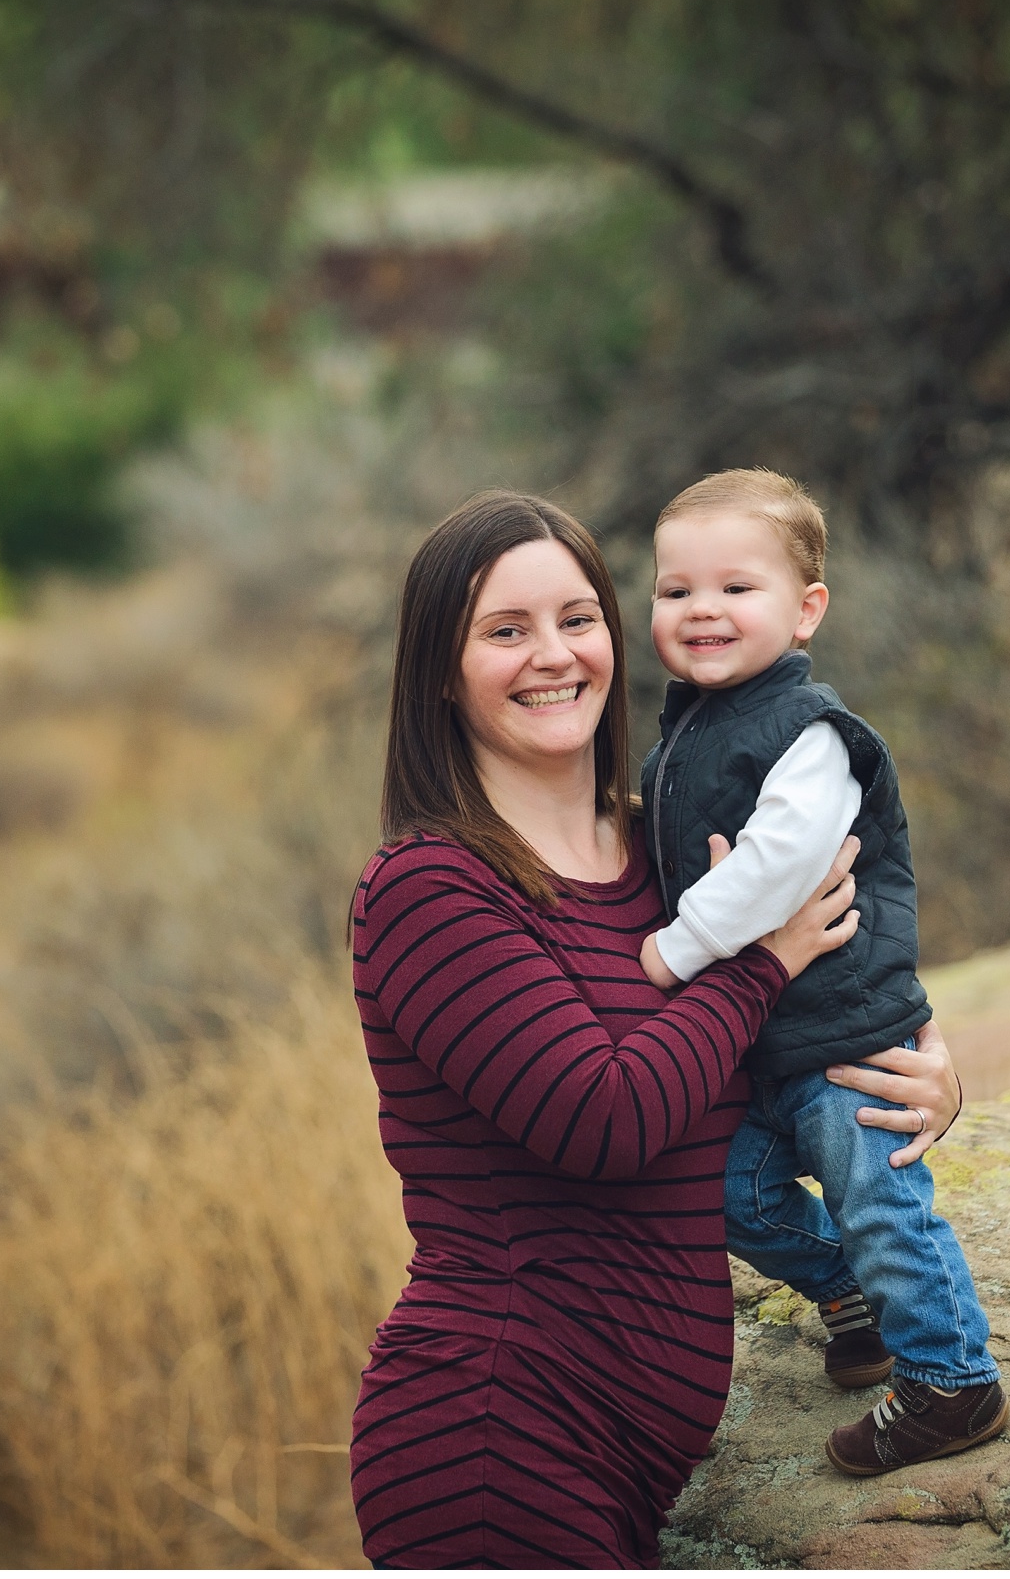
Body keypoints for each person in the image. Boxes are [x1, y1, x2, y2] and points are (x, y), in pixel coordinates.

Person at [349, 489, 965, 1568]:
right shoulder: (430, 888)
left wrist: (921, 1061)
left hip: (635, 1454)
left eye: (577, 618)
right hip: (493, 1440)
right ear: (441, 672)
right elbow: (609, 1117)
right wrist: (763, 965)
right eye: (506, 630)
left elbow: (835, 960)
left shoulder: (669, 858)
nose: (554, 655)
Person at [637, 468, 1006, 1475]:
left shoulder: (810, 735)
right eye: (676, 591)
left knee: (880, 1197)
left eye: (736, 588)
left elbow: (782, 868)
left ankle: (951, 1381)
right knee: (723, 1189)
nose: (702, 608)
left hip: (843, 1034)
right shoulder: (681, 738)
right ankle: (855, 1294)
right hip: (766, 1044)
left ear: (806, 612)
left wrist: (672, 951)